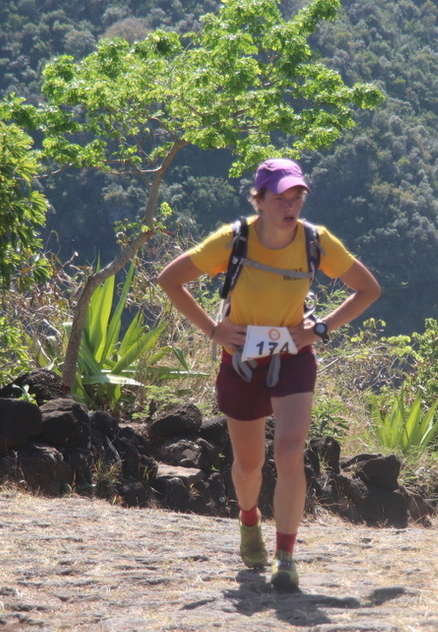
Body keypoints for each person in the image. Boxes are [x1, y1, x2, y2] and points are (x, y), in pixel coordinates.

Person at [157, 158, 380, 591]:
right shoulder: (233, 240)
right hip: (242, 361)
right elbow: (170, 279)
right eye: (280, 198)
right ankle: (248, 520)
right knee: (248, 465)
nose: (290, 205)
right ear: (258, 200)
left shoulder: (316, 241)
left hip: (293, 358)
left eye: (297, 196)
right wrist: (213, 329)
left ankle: (286, 557)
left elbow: (368, 289)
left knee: (291, 451)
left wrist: (319, 329)